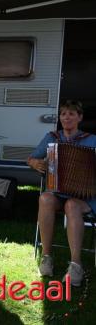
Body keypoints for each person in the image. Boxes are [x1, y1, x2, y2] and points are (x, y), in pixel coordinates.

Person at [28, 99, 96, 287]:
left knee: (72, 205)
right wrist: (36, 163)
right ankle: (47, 256)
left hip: (85, 196)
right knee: (45, 198)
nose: (67, 117)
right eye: (63, 114)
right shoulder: (51, 137)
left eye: (71, 114)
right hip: (59, 191)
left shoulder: (92, 140)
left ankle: (76, 265)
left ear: (79, 118)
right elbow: (32, 158)